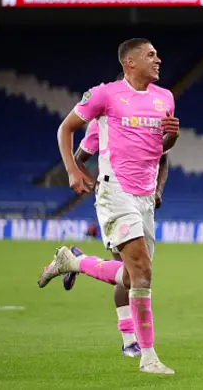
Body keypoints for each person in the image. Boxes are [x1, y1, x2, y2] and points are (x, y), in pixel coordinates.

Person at [37, 38, 180, 374]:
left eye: (158, 54)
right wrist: (73, 170)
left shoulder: (165, 98)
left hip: (145, 197)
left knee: (131, 278)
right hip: (115, 191)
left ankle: (74, 261)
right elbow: (66, 128)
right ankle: (147, 356)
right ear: (129, 62)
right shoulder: (104, 95)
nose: (158, 59)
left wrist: (171, 138)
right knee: (143, 274)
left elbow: (162, 152)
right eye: (150, 55)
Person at [61, 117, 170, 358]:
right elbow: (80, 155)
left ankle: (78, 261)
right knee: (129, 271)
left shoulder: (150, 114)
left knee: (136, 274)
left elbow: (163, 158)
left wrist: (158, 190)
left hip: (143, 200)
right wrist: (89, 180)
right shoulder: (103, 120)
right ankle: (129, 340)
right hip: (115, 200)